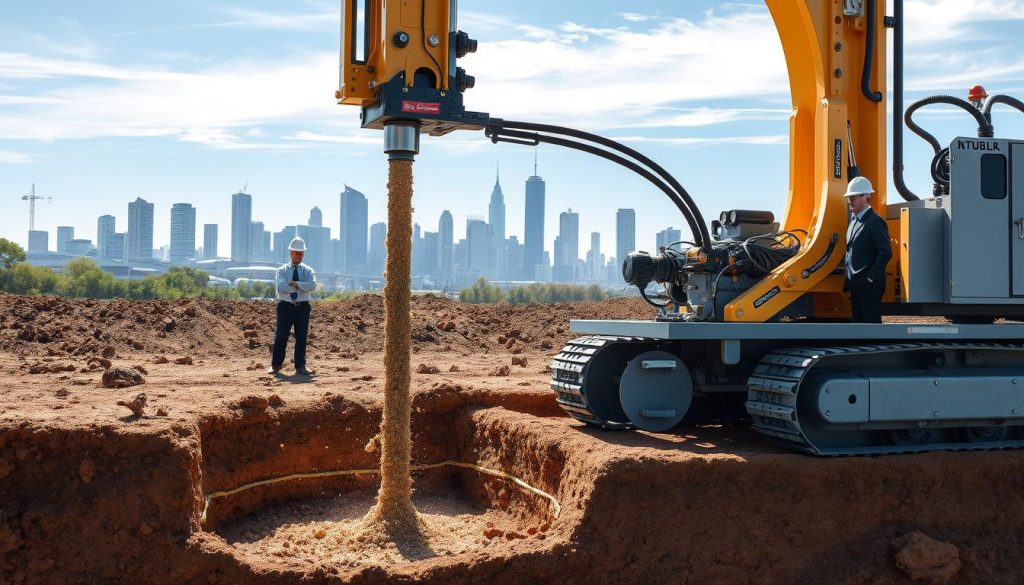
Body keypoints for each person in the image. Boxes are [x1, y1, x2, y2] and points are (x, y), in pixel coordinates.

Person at [843, 176, 892, 324]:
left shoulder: (875, 222)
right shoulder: (854, 221)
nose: (849, 201)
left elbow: (885, 252)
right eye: (848, 198)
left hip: (869, 287)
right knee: (859, 328)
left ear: (865, 198)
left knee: (870, 328)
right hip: (856, 286)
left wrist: (870, 277)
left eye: (853, 197)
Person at [268, 237, 317, 375]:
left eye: (301, 253)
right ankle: (276, 365)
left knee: (302, 337)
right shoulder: (282, 271)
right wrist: (302, 287)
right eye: (297, 253)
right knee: (281, 335)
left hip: (303, 307)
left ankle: (300, 365)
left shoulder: (308, 271)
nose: (299, 255)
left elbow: (312, 285)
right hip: (285, 306)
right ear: (291, 253)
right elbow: (281, 287)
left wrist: (295, 284)